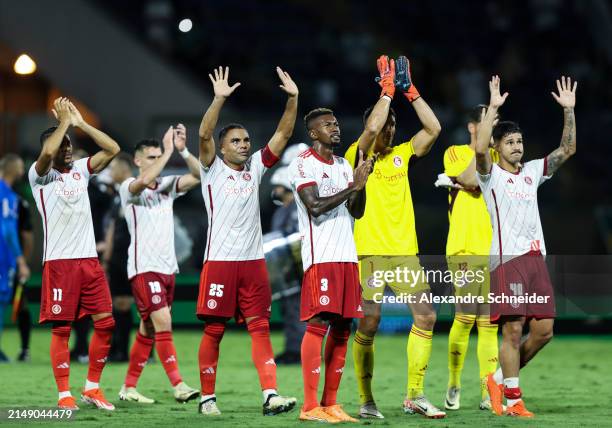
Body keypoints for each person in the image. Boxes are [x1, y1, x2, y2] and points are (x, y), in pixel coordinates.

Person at [288, 55, 404, 423]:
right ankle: (310, 407)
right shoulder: (303, 163)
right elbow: (316, 206)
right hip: (320, 256)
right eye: (327, 125)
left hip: (346, 257)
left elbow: (356, 211)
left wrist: (361, 184)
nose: (335, 129)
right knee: (319, 324)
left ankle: (331, 403)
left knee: (343, 328)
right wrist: (353, 185)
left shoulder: (341, 164)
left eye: (336, 124)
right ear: (313, 133)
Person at [345, 55, 444, 419]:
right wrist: (385, 95)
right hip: (368, 253)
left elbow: (433, 129)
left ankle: (414, 395)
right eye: (384, 124)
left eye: (392, 126)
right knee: (369, 322)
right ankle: (366, 399)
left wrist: (409, 91)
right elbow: (370, 131)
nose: (388, 130)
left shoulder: (403, 155)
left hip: (404, 254)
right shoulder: (357, 154)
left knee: (427, 316)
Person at [196, 66, 298, 416]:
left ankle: (270, 394)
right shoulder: (211, 168)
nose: (244, 145)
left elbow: (283, 135)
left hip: (253, 263)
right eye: (236, 141)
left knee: (261, 328)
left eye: (245, 140)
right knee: (214, 330)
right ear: (222, 149)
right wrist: (218, 99)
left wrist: (293, 99)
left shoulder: (255, 167)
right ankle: (207, 398)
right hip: (220, 262)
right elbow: (205, 132)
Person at [476, 76, 576, 418]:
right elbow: (478, 150)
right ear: (498, 148)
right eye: (510, 142)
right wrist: (493, 107)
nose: (517, 146)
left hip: (535, 260)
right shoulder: (490, 176)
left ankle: (499, 379)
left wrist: (569, 111)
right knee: (513, 329)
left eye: (520, 141)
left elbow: (567, 150)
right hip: (507, 261)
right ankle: (514, 400)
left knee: (544, 331)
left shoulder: (533, 171)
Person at [28, 97, 120, 410]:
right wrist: (63, 124)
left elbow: (113, 150)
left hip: (89, 261)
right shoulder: (40, 176)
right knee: (62, 328)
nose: (68, 149)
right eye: (63, 145)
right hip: (59, 262)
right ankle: (64, 394)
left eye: (70, 145)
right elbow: (47, 153)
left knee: (106, 323)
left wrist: (80, 124)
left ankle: (92, 388)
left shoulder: (81, 169)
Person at [118, 124, 200, 404]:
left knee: (149, 329)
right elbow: (144, 180)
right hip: (144, 268)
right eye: (150, 157)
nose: (156, 162)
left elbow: (201, 176)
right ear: (137, 160)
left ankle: (128, 387)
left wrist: (183, 151)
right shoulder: (128, 188)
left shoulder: (166, 186)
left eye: (158, 157)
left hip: (168, 269)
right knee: (163, 322)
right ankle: (178, 385)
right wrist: (166, 152)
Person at [439, 106, 500, 411]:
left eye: (496, 122)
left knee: (489, 324)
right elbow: (470, 180)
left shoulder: (500, 158)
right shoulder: (453, 152)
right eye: (489, 121)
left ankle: (488, 392)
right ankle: (454, 382)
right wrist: (481, 155)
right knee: (464, 319)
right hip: (463, 247)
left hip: (494, 249)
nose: (493, 128)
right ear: (473, 126)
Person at [268, 145, 307, 365]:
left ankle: (298, 351)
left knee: (297, 309)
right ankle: (294, 348)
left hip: (298, 268)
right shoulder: (286, 208)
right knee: (290, 309)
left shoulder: (297, 207)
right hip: (288, 269)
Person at [103, 153, 134, 362]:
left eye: (113, 168)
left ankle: (124, 350)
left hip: (131, 256)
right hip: (116, 258)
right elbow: (113, 228)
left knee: (125, 303)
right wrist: (107, 256)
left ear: (123, 169)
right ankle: (116, 349)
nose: (110, 172)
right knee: (116, 304)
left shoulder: (135, 191)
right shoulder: (118, 196)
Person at [0, 154, 31, 362]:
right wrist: (20, 260)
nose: (23, 171)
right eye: (21, 167)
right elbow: (8, 230)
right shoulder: (7, 196)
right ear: (14, 169)